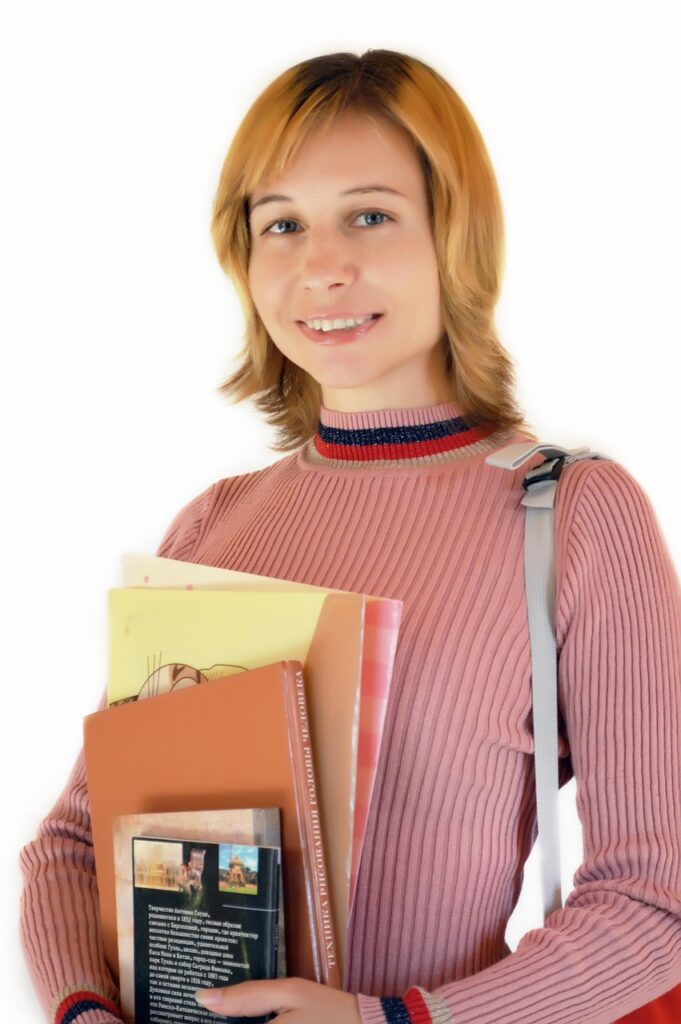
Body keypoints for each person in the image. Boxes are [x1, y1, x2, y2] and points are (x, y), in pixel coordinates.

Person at [19, 48, 681, 1024]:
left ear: (456, 234)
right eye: (280, 223)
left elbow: (653, 904)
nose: (320, 265)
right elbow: (74, 847)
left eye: (369, 214)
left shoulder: (573, 513)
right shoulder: (214, 521)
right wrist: (82, 1012)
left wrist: (392, 1023)